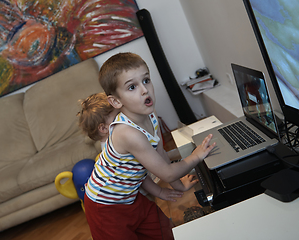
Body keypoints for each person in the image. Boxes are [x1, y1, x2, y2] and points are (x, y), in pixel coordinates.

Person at [83, 52, 215, 240]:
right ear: (115, 101)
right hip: (105, 205)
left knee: (163, 230)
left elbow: (160, 155)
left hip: (130, 195)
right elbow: (167, 173)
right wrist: (196, 155)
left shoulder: (150, 115)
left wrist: (178, 187)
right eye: (132, 87)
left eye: (146, 80)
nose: (145, 90)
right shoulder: (127, 133)